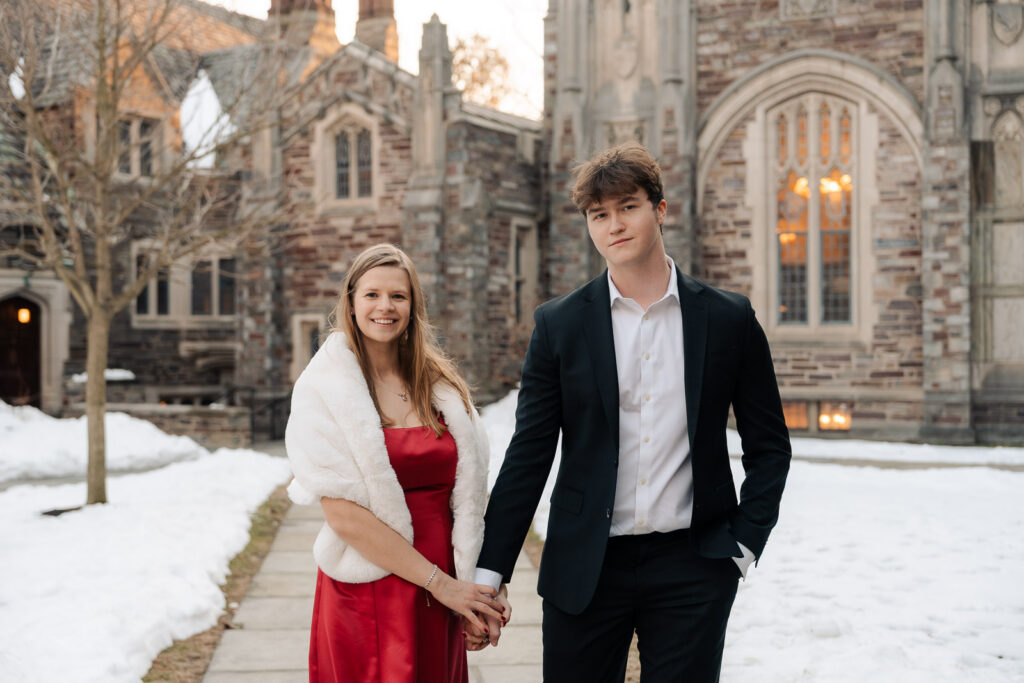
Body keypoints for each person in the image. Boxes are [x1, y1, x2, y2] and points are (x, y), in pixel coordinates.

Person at [471, 143, 792, 681]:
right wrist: (491, 569)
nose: (614, 224)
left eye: (628, 206)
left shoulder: (728, 319)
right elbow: (529, 453)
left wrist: (742, 544)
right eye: (599, 214)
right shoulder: (560, 325)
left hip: (695, 566)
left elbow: (770, 446)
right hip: (585, 567)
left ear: (660, 210)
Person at [285, 243, 509, 682]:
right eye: (371, 295)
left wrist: (482, 593)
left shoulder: (442, 387)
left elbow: (470, 497)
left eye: (398, 296)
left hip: (447, 585)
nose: (384, 306)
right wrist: (440, 584)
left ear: (413, 305)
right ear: (350, 303)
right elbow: (344, 515)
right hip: (369, 586)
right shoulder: (323, 387)